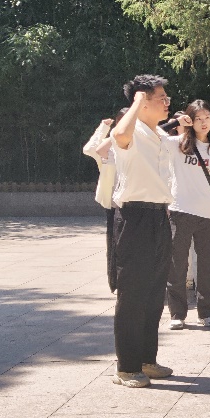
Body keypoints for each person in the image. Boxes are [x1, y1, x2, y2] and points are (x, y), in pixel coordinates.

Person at [108, 74, 176, 388]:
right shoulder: (130, 129)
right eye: (161, 97)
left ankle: (147, 360)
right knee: (133, 293)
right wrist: (136, 99)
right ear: (143, 100)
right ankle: (126, 367)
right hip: (134, 217)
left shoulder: (159, 134)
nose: (167, 102)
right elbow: (119, 135)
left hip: (159, 216)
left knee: (154, 294)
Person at [165, 100, 210, 330]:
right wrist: (175, 122)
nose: (204, 123)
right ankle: (177, 313)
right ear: (190, 120)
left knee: (207, 265)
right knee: (177, 265)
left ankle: (207, 312)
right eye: (198, 118)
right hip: (180, 211)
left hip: (209, 213)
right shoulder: (176, 144)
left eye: (207, 118)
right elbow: (151, 134)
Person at [84, 111, 124, 293]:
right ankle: (115, 281)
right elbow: (89, 149)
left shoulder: (140, 144)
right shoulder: (109, 146)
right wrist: (103, 128)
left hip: (134, 202)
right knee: (114, 243)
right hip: (113, 203)